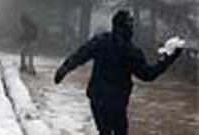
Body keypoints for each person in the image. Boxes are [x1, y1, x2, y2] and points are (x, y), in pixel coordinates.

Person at [54, 10, 182, 135]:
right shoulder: (131, 51)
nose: (132, 28)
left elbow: (80, 55)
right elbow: (147, 74)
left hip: (97, 97)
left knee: (104, 131)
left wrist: (64, 69)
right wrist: (167, 59)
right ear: (127, 27)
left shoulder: (101, 41)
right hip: (117, 102)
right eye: (130, 25)